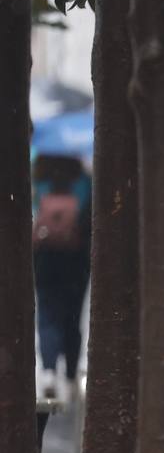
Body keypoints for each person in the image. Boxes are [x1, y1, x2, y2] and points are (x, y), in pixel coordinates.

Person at [32, 155, 92, 399]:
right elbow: (90, 221)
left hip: (45, 259)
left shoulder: (39, 180)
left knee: (47, 316)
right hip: (76, 260)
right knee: (73, 318)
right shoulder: (85, 182)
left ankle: (47, 372)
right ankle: (68, 376)